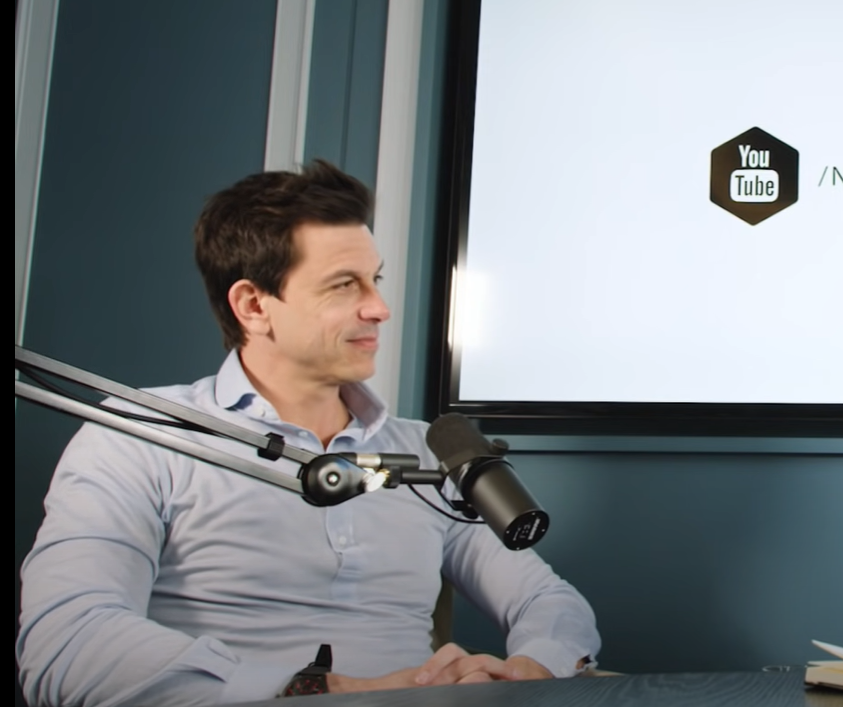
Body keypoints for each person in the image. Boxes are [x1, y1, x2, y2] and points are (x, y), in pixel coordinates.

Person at [17, 161, 601, 706]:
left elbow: (544, 599)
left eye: (374, 279)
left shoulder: (424, 452)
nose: (379, 308)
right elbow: (67, 645)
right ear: (253, 305)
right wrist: (329, 691)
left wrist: (532, 667)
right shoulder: (139, 436)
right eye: (344, 285)